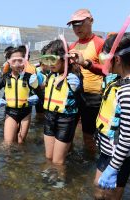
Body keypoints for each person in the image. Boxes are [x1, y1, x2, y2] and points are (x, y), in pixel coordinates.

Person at [94, 32, 130, 200]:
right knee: (98, 193)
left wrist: (113, 168)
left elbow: (126, 138)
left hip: (119, 157)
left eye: (105, 56)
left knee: (110, 197)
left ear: (117, 59)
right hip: (109, 152)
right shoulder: (120, 81)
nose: (103, 60)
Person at [39, 40, 83, 186]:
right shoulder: (51, 76)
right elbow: (46, 97)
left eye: (52, 59)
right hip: (49, 118)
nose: (49, 64)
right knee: (49, 157)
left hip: (66, 120)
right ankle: (48, 181)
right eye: (46, 59)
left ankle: (59, 187)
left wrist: (77, 89)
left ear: (64, 58)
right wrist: (36, 89)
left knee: (58, 162)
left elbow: (80, 102)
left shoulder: (74, 76)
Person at [67, 8, 105, 155]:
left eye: (80, 23)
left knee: (89, 136)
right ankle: (69, 163)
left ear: (91, 21)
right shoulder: (72, 46)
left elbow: (108, 70)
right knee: (68, 132)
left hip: (93, 96)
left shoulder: (100, 43)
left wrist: (87, 63)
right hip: (74, 95)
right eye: (74, 25)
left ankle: (90, 165)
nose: (77, 28)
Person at [0, 45, 38, 145]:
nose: (17, 64)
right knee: (8, 143)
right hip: (11, 112)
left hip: (26, 113)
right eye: (14, 61)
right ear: (8, 61)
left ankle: (21, 160)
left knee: (21, 142)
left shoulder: (30, 77)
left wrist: (37, 96)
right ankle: (9, 159)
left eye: (20, 61)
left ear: (25, 61)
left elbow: (36, 91)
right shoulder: (5, 78)